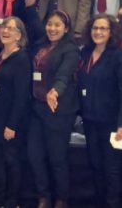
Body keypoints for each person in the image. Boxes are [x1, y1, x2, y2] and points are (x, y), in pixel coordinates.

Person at [77, 14, 122, 208]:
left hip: (112, 124)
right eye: (95, 28)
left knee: (111, 169)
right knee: (95, 165)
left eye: (103, 28)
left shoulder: (118, 55)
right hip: (90, 121)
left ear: (111, 32)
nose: (98, 32)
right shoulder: (85, 53)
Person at [28, 11, 80, 208]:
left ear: (66, 28)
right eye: (49, 24)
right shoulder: (41, 44)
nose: (52, 28)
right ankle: (43, 197)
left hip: (58, 110)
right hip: (37, 108)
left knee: (57, 158)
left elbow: (65, 75)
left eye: (57, 25)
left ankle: (61, 199)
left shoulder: (71, 49)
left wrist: (54, 92)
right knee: (34, 155)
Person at [0, 17, 33, 208]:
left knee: (11, 161)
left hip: (11, 120)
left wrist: (12, 125)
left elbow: (22, 96)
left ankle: (11, 201)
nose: (5, 30)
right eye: (3, 27)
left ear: (19, 35)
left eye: (10, 28)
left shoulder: (22, 58)